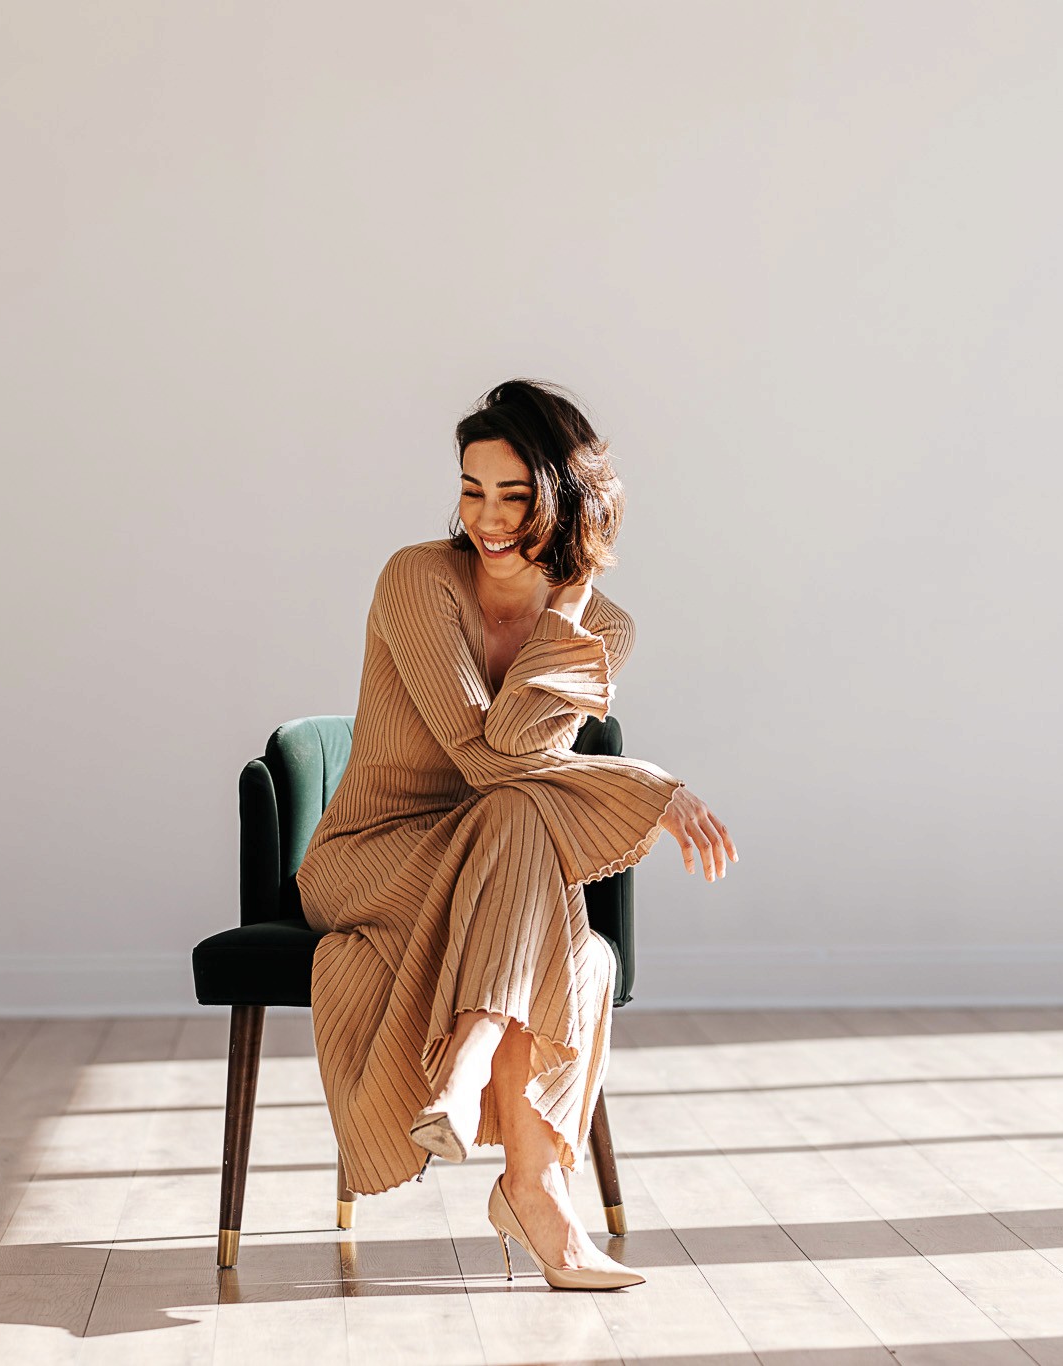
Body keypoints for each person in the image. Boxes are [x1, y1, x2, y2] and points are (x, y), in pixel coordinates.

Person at [296, 378, 738, 1290]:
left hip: (497, 861)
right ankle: (528, 1181)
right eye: (471, 488)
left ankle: (495, 1122)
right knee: (521, 825)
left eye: (514, 494)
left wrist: (564, 613)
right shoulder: (417, 577)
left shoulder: (601, 630)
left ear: (564, 500)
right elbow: (482, 750)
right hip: (373, 857)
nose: (486, 519)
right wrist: (652, 789)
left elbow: (517, 761)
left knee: (559, 910)